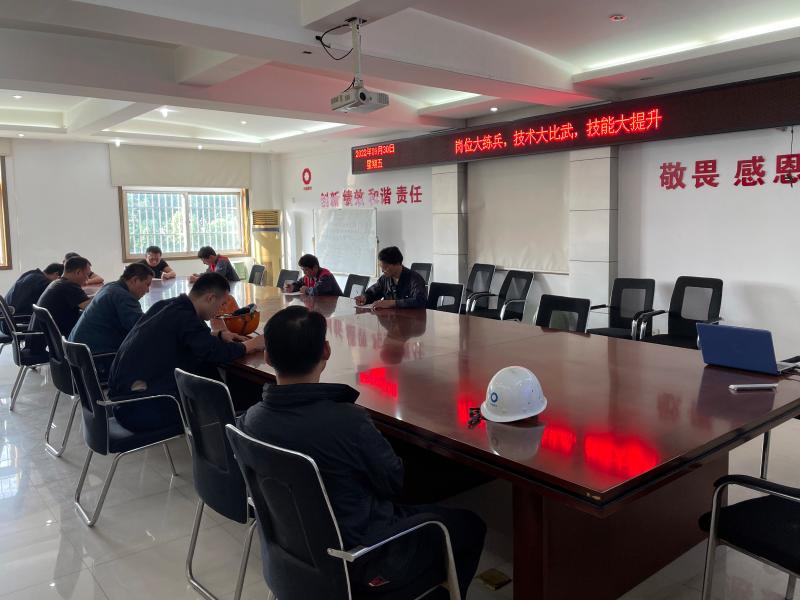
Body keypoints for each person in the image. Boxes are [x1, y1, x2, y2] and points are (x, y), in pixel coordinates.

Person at [237, 306, 485, 598]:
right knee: (470, 526)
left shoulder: (249, 421)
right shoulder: (348, 421)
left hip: (291, 558)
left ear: (267, 356)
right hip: (363, 561)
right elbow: (394, 483)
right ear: (326, 351)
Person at [108, 272, 263, 431]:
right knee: (224, 382)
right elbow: (214, 352)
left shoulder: (166, 306)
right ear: (210, 298)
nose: (220, 311)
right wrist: (252, 344)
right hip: (143, 408)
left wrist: (218, 335)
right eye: (221, 304)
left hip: (123, 402)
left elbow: (183, 336)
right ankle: (239, 428)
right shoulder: (187, 318)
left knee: (206, 371)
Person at [69, 263, 154, 356]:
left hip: (77, 351)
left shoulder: (110, 286)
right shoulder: (123, 296)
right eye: (147, 284)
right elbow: (141, 328)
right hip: (95, 356)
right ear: (135, 280)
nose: (147, 290)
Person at [354, 246, 427, 309]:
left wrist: (392, 303)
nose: (382, 271)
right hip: (391, 318)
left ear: (397, 263)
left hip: (411, 319)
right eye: (381, 267)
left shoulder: (415, 279)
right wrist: (365, 298)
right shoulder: (384, 279)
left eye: (385, 267)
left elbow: (420, 301)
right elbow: (372, 293)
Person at [37, 256, 93, 337]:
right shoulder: (69, 286)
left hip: (46, 338)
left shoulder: (58, 282)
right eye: (87, 275)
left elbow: (84, 301)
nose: (87, 279)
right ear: (78, 272)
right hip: (62, 338)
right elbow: (90, 307)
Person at [3, 263, 63, 331]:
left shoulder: (31, 274)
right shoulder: (42, 282)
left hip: (6, 321)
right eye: (60, 279)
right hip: (15, 323)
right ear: (56, 274)